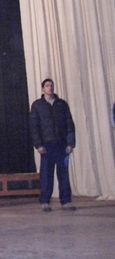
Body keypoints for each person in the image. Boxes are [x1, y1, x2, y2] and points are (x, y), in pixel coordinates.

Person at [30, 78, 76, 212]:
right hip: (47, 145)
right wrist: (38, 145)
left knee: (64, 174)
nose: (49, 88)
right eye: (47, 85)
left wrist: (70, 143)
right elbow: (34, 127)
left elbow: (69, 124)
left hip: (62, 145)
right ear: (43, 88)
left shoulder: (61, 104)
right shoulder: (37, 105)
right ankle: (45, 201)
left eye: (51, 85)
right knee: (46, 175)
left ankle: (66, 201)